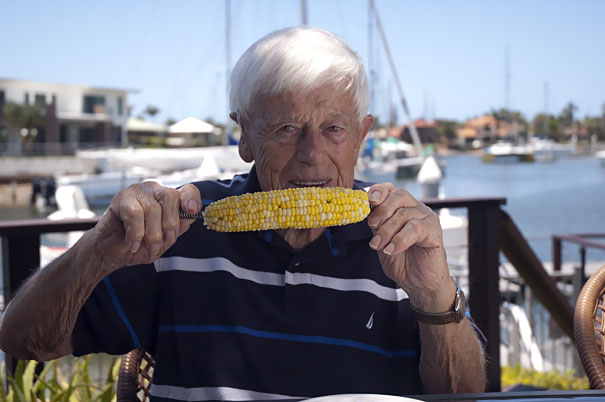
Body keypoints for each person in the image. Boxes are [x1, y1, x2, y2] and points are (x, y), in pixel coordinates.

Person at [0, 27, 486, 400]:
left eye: (334, 128)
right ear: (245, 137)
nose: (312, 153)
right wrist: (95, 251)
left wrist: (434, 294)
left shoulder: (399, 236)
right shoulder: (178, 229)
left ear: (362, 136)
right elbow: (24, 342)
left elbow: (463, 395)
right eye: (286, 127)